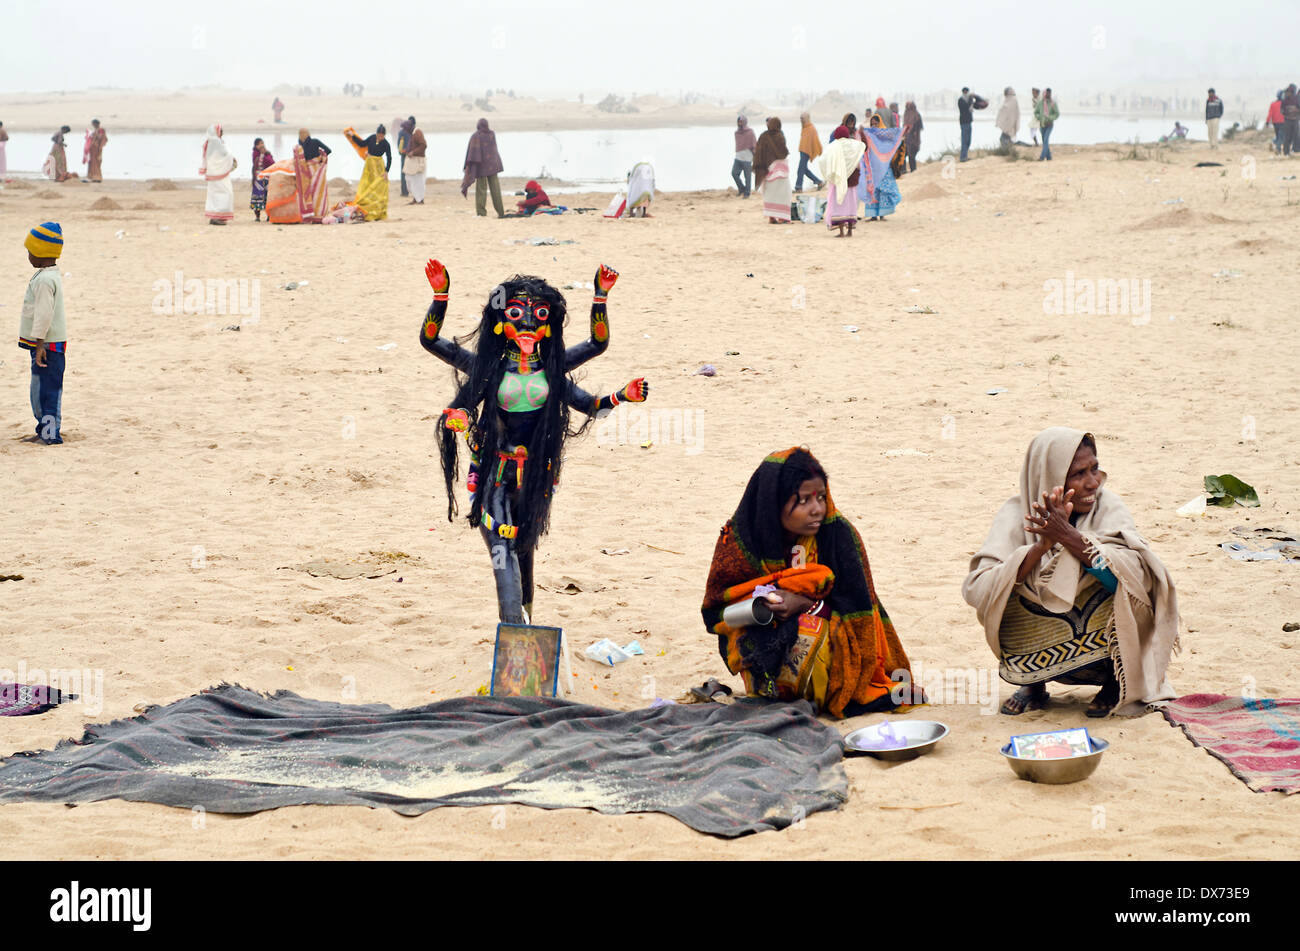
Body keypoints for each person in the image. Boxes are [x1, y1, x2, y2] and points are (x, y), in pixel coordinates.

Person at [420, 260, 649, 623]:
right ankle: (514, 630)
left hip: (537, 478)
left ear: (549, 326)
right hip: (493, 474)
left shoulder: (553, 370)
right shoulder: (487, 367)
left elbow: (593, 382)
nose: (528, 324)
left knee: (523, 548)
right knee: (502, 549)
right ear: (500, 323)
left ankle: (525, 620)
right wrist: (440, 296)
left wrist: (621, 395)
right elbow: (430, 340)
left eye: (539, 315)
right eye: (516, 313)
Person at [962, 428, 1179, 718]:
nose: (1093, 482)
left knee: (1116, 570)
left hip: (1100, 641)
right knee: (1008, 583)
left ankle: (1115, 681)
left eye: (1095, 468)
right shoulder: (1016, 514)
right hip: (1035, 639)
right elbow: (978, 589)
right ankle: (1033, 681)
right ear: (1050, 479)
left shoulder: (1109, 508)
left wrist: (1068, 537)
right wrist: (1040, 548)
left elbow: (1136, 582)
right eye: (1078, 474)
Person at [701, 447, 922, 717]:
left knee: (808, 629)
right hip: (759, 642)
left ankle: (816, 695)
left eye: (820, 497)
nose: (817, 509)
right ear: (773, 502)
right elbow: (714, 613)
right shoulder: (741, 539)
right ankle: (770, 689)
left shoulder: (839, 535)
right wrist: (758, 607)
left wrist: (804, 604)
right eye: (804, 500)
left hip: (833, 647)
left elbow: (859, 616)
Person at [19, 222, 68, 445]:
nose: (28, 256)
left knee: (47, 391)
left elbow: (44, 314)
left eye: (30, 252)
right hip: (45, 346)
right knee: (39, 390)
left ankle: (50, 435)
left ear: (40, 252)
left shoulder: (46, 280)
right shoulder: (47, 275)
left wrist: (39, 345)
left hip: (47, 347)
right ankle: (43, 430)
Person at [819, 121, 865, 237]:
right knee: (851, 204)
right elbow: (861, 149)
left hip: (839, 181)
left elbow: (823, 160)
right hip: (852, 180)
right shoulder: (853, 145)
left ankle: (841, 232)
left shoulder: (834, 146)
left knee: (839, 205)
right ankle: (849, 231)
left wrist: (829, 174)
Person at [859, 110, 904, 221]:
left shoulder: (886, 134)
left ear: (880, 123)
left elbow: (894, 140)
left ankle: (882, 214)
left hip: (884, 168)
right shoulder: (869, 135)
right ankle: (873, 215)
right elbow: (863, 146)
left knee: (884, 191)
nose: (874, 126)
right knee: (872, 191)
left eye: (876, 123)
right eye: (872, 124)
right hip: (872, 168)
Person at [346, 124, 391, 221]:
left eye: (382, 136)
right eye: (379, 135)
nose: (380, 137)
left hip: (379, 166)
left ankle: (376, 206)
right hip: (369, 165)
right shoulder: (371, 138)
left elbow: (389, 157)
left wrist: (386, 171)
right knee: (367, 185)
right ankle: (365, 202)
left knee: (378, 185)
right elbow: (362, 143)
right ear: (377, 134)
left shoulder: (386, 144)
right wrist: (352, 135)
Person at [461, 118, 505, 217]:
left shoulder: (476, 136)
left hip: (481, 166)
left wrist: (471, 166)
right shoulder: (492, 134)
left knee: (481, 189)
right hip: (493, 165)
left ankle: (481, 213)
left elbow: (471, 153)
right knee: (496, 189)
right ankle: (501, 212)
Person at [753, 117, 791, 224]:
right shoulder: (779, 136)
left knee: (770, 194)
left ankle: (772, 217)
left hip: (767, 169)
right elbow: (783, 152)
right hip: (780, 169)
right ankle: (782, 217)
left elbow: (758, 153)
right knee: (784, 194)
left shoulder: (763, 136)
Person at [199, 124, 235, 224]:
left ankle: (215, 216)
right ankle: (218, 217)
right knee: (226, 193)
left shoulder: (209, 142)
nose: (222, 133)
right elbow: (225, 155)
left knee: (214, 194)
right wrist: (231, 159)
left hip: (213, 172)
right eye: (221, 131)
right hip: (219, 173)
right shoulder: (216, 142)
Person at [293, 128, 331, 222]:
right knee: (320, 192)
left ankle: (310, 214)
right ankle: (319, 213)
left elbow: (297, 161)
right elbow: (328, 150)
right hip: (317, 170)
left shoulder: (299, 148)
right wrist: (320, 155)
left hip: (306, 173)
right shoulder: (315, 141)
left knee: (309, 193)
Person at [794, 113, 823, 192]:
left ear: (807, 118)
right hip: (802, 151)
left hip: (806, 152)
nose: (801, 120)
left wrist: (819, 149)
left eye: (802, 118)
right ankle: (819, 182)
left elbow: (815, 140)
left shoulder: (811, 128)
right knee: (804, 170)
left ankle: (798, 187)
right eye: (800, 118)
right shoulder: (804, 127)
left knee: (800, 170)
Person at [731, 115, 756, 198]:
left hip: (747, 158)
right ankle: (741, 189)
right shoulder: (736, 133)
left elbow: (754, 145)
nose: (739, 123)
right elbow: (738, 145)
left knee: (747, 177)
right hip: (738, 157)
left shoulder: (750, 132)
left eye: (741, 121)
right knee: (734, 173)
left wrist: (755, 156)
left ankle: (747, 193)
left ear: (745, 122)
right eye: (738, 121)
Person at [249, 138, 274, 220]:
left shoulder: (268, 154)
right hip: (258, 180)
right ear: (256, 146)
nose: (261, 145)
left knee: (268, 196)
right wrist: (261, 155)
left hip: (266, 178)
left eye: (262, 143)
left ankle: (269, 215)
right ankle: (257, 216)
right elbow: (256, 162)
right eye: (259, 144)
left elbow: (271, 163)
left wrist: (264, 155)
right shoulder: (255, 153)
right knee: (257, 197)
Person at [404, 120, 427, 204]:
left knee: (418, 181)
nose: (405, 131)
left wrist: (413, 152)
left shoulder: (417, 133)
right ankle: (416, 198)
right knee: (411, 180)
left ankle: (420, 199)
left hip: (418, 161)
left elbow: (424, 145)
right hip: (412, 161)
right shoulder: (413, 133)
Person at [1035, 89, 1059, 161]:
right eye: (1047, 93)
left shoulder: (1053, 103)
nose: (1048, 95)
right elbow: (1036, 112)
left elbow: (1057, 114)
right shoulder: (1040, 103)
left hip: (1049, 125)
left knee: (1045, 140)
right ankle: (1049, 157)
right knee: (1044, 141)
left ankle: (1042, 157)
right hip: (1042, 124)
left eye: (1049, 93)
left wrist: (1050, 118)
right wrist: (1039, 117)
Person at [902, 101, 923, 172]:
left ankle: (913, 170)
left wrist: (913, 134)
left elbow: (918, 128)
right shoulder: (906, 114)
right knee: (903, 154)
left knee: (911, 156)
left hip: (913, 139)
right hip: (906, 139)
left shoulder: (916, 115)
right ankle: (904, 170)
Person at [1282, 85, 1299, 157]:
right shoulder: (1285, 100)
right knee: (1287, 137)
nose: (1287, 93)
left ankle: (1296, 150)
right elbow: (1282, 110)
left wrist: (1295, 110)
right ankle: (1286, 152)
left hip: (1295, 120)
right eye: (1287, 92)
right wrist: (1287, 111)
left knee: (1296, 136)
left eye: (1289, 92)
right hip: (1287, 120)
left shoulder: (1297, 99)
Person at [397, 117, 413, 197]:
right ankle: (410, 190)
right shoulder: (411, 132)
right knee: (411, 173)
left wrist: (401, 152)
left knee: (403, 174)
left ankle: (404, 191)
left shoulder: (401, 132)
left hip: (404, 155)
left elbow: (399, 144)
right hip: (411, 155)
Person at [958, 88, 975, 161]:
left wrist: (971, 99)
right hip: (964, 123)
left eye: (967, 92)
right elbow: (965, 108)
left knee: (968, 140)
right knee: (964, 140)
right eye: (965, 92)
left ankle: (965, 155)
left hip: (969, 122)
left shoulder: (969, 100)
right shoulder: (961, 100)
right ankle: (963, 157)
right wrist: (970, 99)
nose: (966, 94)